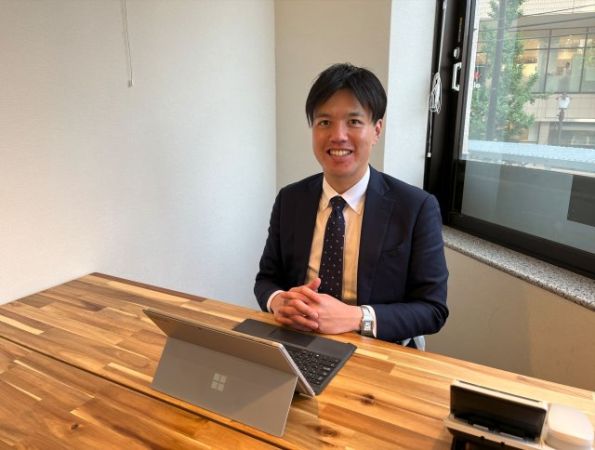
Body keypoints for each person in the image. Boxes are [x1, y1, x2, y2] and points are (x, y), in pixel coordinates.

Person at [254, 63, 448, 347]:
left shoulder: (416, 207)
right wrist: (278, 301)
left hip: (379, 348)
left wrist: (356, 318)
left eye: (354, 122)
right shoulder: (290, 199)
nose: (338, 135)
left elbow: (432, 309)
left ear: (376, 130)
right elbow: (267, 279)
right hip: (299, 340)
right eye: (324, 122)